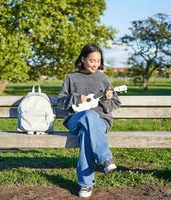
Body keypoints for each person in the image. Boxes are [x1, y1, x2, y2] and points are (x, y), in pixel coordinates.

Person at [57, 43, 121, 198]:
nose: (95, 64)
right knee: (88, 116)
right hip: (75, 120)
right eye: (92, 60)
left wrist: (107, 99)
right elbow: (60, 101)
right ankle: (105, 157)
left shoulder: (103, 79)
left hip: (100, 122)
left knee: (88, 130)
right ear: (83, 59)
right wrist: (77, 98)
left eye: (98, 61)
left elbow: (115, 103)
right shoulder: (71, 78)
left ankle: (85, 184)